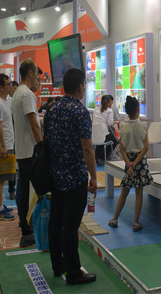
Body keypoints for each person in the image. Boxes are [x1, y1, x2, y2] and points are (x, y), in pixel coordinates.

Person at [45, 68, 97, 285]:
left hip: (55, 175)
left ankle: (58, 265)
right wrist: (94, 176)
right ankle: (74, 273)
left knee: (55, 222)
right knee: (71, 226)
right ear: (80, 87)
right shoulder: (80, 112)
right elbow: (87, 148)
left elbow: (47, 141)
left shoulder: (52, 109)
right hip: (75, 178)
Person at [108, 96, 152, 232]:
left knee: (124, 191)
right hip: (140, 161)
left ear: (126, 111)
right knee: (139, 192)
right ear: (138, 109)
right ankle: (136, 222)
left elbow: (122, 148)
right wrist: (135, 163)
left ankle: (114, 219)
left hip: (129, 160)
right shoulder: (143, 125)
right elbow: (146, 148)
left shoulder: (123, 126)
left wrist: (129, 164)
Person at [11, 60, 43, 248]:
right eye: (37, 73)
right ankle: (28, 229)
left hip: (22, 151)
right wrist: (42, 148)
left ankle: (25, 228)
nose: (38, 77)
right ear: (30, 73)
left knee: (23, 191)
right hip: (30, 152)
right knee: (32, 192)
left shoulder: (17, 93)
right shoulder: (27, 94)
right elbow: (34, 125)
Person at [0, 74, 17, 220]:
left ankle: (0, 206)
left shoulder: (8, 100)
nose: (10, 87)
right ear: (0, 87)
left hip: (9, 143)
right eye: (8, 84)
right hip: (2, 147)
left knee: (4, 178)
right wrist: (3, 146)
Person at [93, 94, 118, 164]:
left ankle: (97, 157)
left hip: (94, 134)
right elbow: (109, 123)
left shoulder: (96, 109)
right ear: (109, 102)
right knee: (115, 141)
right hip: (103, 134)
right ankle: (102, 158)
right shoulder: (109, 110)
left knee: (100, 142)